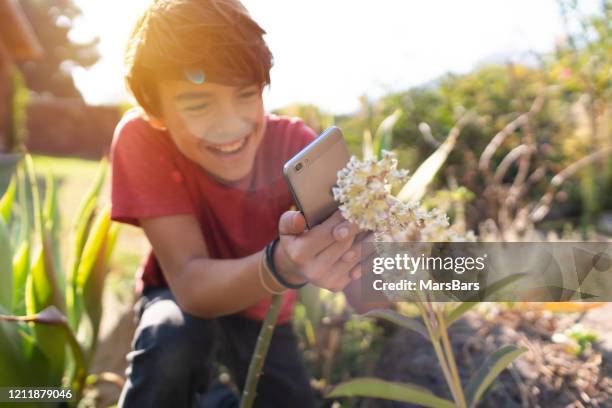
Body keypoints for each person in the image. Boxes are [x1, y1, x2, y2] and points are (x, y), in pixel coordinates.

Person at [110, 1, 375, 406]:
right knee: (172, 340)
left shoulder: (295, 146)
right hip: (179, 300)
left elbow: (369, 282)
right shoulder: (142, 138)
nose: (230, 124)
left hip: (264, 313)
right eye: (198, 104)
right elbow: (192, 286)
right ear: (155, 111)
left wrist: (363, 252)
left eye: (245, 95)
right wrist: (281, 264)